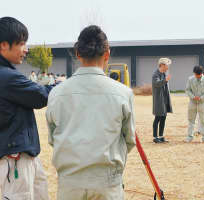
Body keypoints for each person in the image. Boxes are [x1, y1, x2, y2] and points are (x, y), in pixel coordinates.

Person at [46, 25, 136, 200]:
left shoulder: (56, 93)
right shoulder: (123, 93)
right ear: (107, 54)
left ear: (78, 53)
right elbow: (129, 139)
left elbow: (52, 138)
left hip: (70, 181)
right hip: (107, 181)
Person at [0, 17, 51, 200]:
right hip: (15, 160)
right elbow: (41, 96)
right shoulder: (4, 76)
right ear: (4, 45)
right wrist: (66, 86)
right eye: (21, 43)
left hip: (22, 156)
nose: (26, 49)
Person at [185, 66, 204, 143]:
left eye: (199, 75)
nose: (197, 76)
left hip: (202, 103)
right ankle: (189, 137)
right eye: (196, 75)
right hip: (192, 102)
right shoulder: (190, 79)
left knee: (203, 120)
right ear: (194, 73)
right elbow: (187, 90)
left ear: (202, 73)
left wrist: (201, 97)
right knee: (191, 120)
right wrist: (193, 97)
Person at [152, 57, 173, 143]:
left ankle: (161, 136)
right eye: (167, 66)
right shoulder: (155, 74)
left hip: (164, 99)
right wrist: (165, 80)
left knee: (163, 117)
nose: (168, 67)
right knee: (158, 117)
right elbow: (157, 84)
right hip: (159, 99)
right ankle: (155, 137)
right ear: (162, 65)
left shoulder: (164, 73)